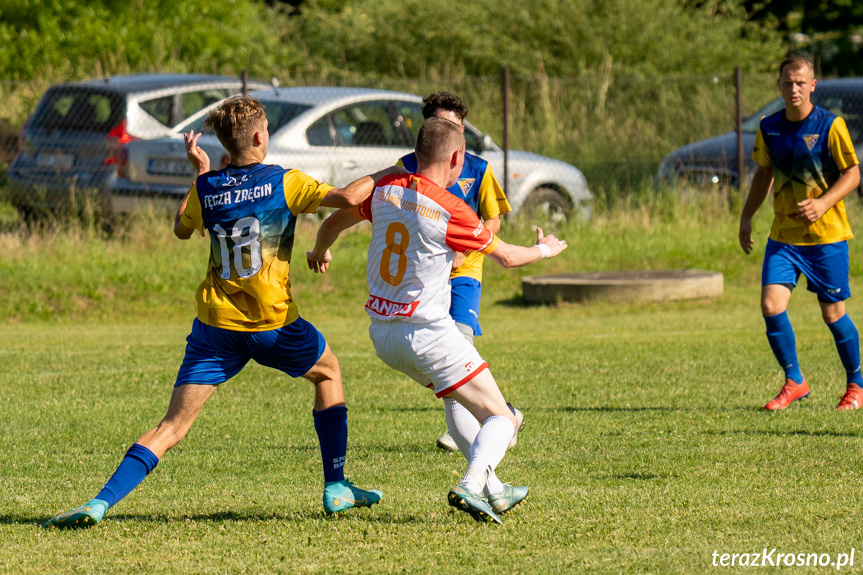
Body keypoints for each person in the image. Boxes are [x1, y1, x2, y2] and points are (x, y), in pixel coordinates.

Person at [43, 96, 395, 529]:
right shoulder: (283, 182)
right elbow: (344, 199)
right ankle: (337, 486)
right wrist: (390, 172)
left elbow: (180, 229)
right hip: (272, 325)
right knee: (328, 373)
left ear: (225, 144)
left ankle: (99, 502)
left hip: (215, 329)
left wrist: (201, 173)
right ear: (260, 136)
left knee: (171, 426)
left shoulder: (207, 188)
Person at [306, 117, 568, 523]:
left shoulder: (385, 189)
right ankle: (472, 483)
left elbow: (332, 222)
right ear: (456, 158)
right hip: (426, 332)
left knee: (462, 402)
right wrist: (546, 249)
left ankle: (496, 492)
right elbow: (508, 258)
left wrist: (319, 251)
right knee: (502, 418)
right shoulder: (452, 209)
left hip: (382, 335)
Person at [397, 91, 523, 452]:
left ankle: (471, 428)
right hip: (422, 275)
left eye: (456, 125)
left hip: (465, 270)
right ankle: (504, 414)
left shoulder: (478, 169)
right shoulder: (407, 168)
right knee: (436, 353)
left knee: (459, 342)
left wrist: (460, 245)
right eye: (441, 125)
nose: (450, 131)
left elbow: (493, 222)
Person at [739, 56, 863, 410]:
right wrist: (747, 217)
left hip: (826, 237)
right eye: (787, 83)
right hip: (784, 238)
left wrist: (823, 203)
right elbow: (763, 174)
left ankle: (856, 384)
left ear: (812, 85)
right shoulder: (769, 127)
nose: (793, 89)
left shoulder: (830, 125)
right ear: (778, 86)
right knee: (770, 305)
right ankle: (794, 380)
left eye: (800, 82)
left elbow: (852, 174)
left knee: (833, 313)